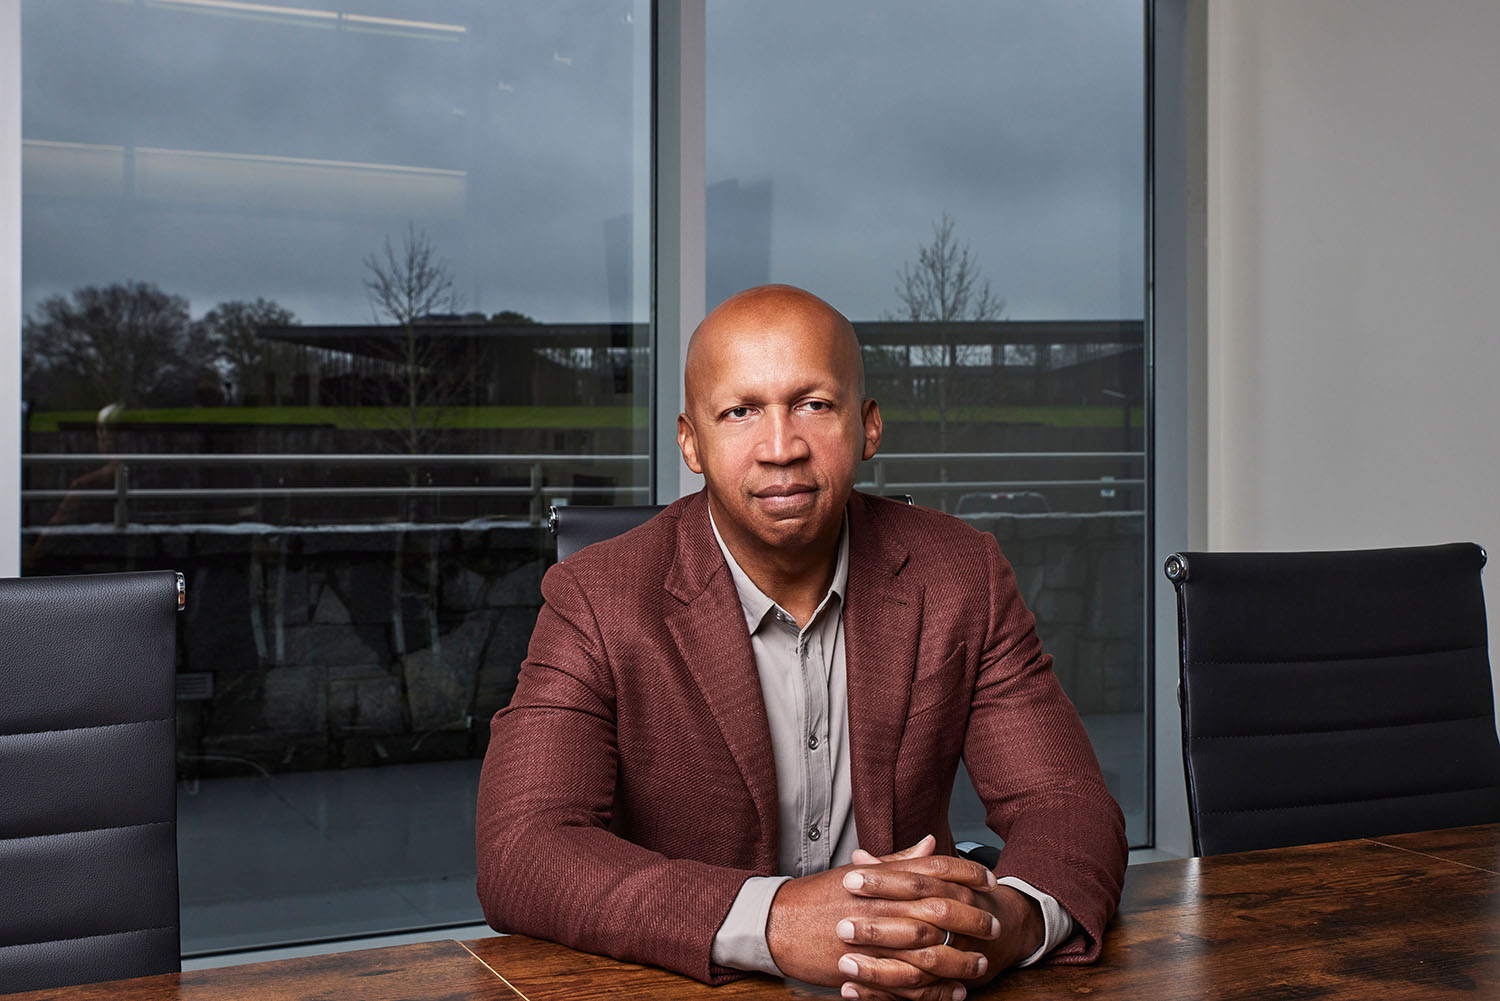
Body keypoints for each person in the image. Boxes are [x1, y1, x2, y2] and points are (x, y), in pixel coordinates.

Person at [476, 285, 1126, 1000]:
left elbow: (1065, 800)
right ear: (691, 441)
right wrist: (775, 919)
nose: (781, 447)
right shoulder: (595, 598)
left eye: (814, 404)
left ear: (868, 426)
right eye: (740, 411)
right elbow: (522, 849)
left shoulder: (961, 573)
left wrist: (1010, 923)